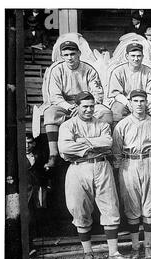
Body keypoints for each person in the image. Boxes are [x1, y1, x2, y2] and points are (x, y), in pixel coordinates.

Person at [58, 91, 133, 259]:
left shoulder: (103, 124)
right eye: (85, 106)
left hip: (101, 166)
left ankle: (114, 253)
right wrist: (92, 144)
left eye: (92, 106)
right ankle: (88, 253)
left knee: (111, 208)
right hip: (78, 168)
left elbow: (107, 143)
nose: (89, 110)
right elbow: (65, 148)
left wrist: (81, 143)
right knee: (79, 209)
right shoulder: (67, 126)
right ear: (77, 107)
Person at [43, 41, 112, 169]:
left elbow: (97, 94)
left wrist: (84, 106)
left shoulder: (89, 69)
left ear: (79, 54)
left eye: (73, 54)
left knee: (105, 113)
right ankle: (53, 154)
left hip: (86, 103)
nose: (70, 58)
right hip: (65, 104)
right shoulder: (56, 69)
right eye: (66, 55)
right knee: (50, 113)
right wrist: (69, 107)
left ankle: (103, 150)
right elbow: (54, 95)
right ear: (62, 56)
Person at [112, 90, 151, 259]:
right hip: (129, 164)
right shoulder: (122, 124)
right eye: (136, 101)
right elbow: (116, 150)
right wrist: (121, 168)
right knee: (132, 207)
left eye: (142, 100)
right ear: (130, 103)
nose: (139, 104)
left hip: (150, 162)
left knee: (149, 206)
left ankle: (147, 246)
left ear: (146, 102)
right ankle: (135, 246)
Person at [107, 42, 151, 128]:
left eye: (139, 56)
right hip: (125, 102)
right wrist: (128, 103)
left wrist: (143, 104)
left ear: (143, 57)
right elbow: (116, 94)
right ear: (127, 56)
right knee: (117, 110)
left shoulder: (149, 72)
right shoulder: (118, 71)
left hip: (144, 102)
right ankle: (118, 137)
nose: (136, 59)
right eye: (133, 56)